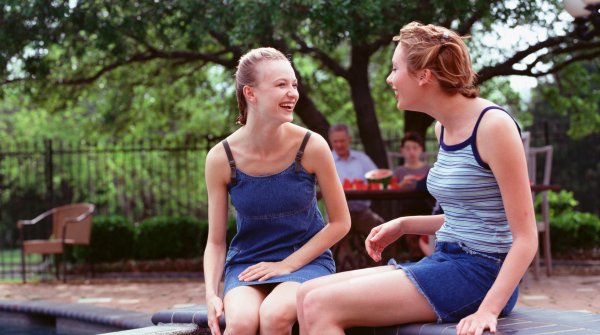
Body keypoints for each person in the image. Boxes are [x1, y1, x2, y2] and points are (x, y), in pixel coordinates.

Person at [297, 22, 538, 335]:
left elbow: (525, 236)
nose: (389, 78)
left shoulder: (493, 127)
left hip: (483, 273)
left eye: (395, 68)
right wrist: (405, 224)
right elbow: (470, 218)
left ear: (424, 75)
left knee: (320, 306)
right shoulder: (442, 129)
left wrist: (487, 310)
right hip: (445, 261)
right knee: (305, 295)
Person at [203, 47, 350, 335]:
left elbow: (341, 223)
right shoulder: (221, 158)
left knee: (274, 316)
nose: (292, 93)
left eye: (294, 84)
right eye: (281, 85)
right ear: (251, 94)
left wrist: (286, 265)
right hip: (249, 263)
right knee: (241, 324)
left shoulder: (312, 145)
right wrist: (211, 293)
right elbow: (216, 242)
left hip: (305, 260)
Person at [328, 124, 385, 270]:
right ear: (330, 141)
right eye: (335, 141)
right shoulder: (327, 159)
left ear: (349, 140)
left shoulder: (362, 159)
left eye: (342, 140)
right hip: (337, 214)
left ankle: (377, 265)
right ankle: (345, 269)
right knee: (338, 238)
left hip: (362, 212)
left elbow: (377, 178)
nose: (339, 144)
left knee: (382, 229)